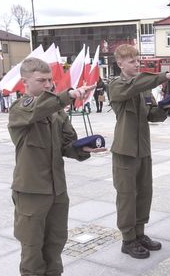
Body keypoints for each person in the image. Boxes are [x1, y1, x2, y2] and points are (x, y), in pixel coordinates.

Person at [7, 57, 104, 275]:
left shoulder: (56, 112)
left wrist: (82, 149)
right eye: (41, 80)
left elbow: (67, 144)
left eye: (50, 80)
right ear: (25, 82)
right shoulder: (19, 108)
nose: (49, 85)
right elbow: (37, 110)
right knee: (32, 249)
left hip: (57, 190)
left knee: (56, 243)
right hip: (32, 191)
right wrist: (67, 95)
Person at [108, 44, 170, 259]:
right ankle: (128, 240)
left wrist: (165, 106)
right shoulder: (116, 85)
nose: (136, 64)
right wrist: (168, 75)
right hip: (125, 150)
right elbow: (134, 86)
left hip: (143, 148)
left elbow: (152, 115)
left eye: (138, 60)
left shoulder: (144, 87)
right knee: (127, 196)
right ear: (120, 64)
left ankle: (139, 233)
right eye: (131, 61)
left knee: (144, 192)